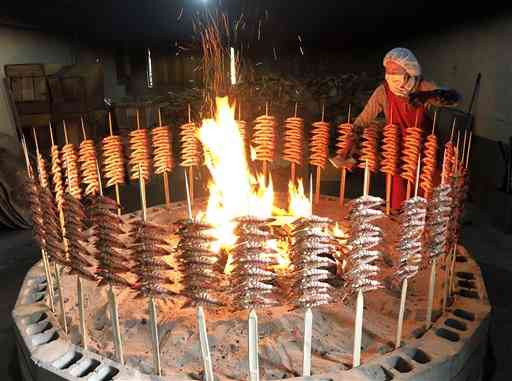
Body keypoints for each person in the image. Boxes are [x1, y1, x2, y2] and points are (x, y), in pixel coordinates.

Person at [352, 47, 459, 209]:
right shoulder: (383, 92)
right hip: (397, 153)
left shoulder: (423, 86)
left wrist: (426, 96)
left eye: (395, 70)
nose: (390, 75)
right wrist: (351, 137)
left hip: (425, 153)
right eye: (387, 70)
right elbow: (363, 119)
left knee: (426, 203)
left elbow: (455, 98)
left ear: (409, 69)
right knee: (398, 202)